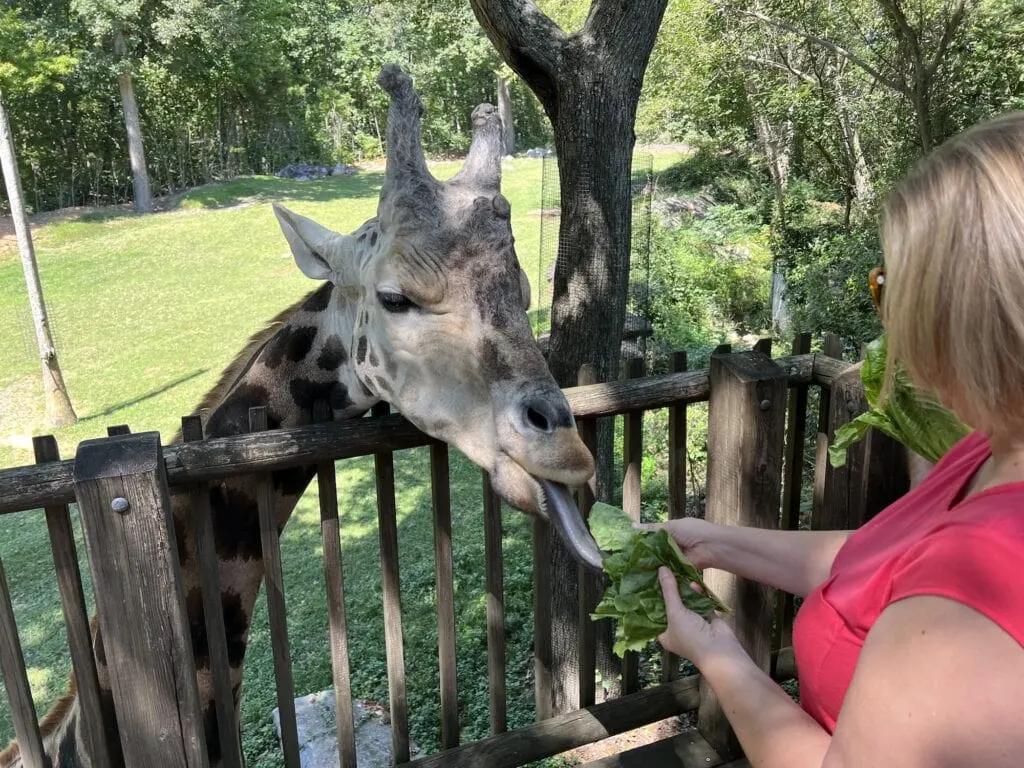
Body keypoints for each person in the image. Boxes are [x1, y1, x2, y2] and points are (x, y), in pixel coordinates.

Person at [650, 111, 1024, 767]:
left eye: (890, 287)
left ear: (965, 316)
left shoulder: (989, 581)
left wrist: (716, 654)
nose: (888, 313)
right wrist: (719, 542)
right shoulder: (996, 439)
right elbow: (885, 562)